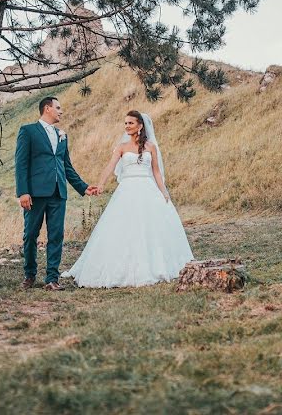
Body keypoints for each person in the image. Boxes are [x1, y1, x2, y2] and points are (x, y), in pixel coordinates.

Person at [62, 110, 194, 287]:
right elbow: (110, 167)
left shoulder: (151, 147)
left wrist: (164, 192)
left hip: (147, 188)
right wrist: (100, 184)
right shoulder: (121, 148)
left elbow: (156, 171)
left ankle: (154, 264)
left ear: (140, 126)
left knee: (150, 227)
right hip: (127, 190)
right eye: (125, 123)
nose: (127, 126)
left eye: (130, 123)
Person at [15, 96, 97, 291]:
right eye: (58, 108)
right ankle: (30, 274)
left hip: (58, 192)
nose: (61, 111)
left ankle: (52, 278)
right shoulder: (28, 131)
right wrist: (23, 192)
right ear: (47, 109)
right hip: (35, 193)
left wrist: (83, 187)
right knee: (30, 235)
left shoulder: (62, 135)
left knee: (56, 235)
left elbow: (66, 166)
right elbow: (21, 164)